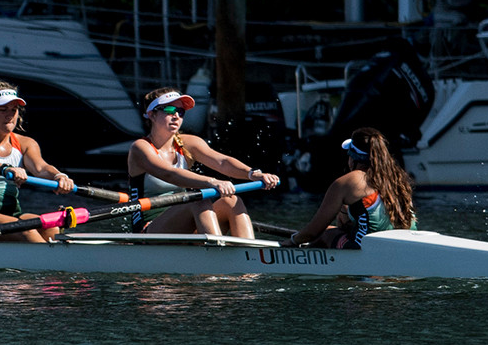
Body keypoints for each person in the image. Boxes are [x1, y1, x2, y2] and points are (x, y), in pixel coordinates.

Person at [126, 87, 279, 238]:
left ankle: (248, 255)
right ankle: (215, 254)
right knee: (198, 199)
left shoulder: (188, 143)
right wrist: (212, 182)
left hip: (184, 222)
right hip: (148, 230)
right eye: (169, 109)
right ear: (151, 115)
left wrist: (253, 173)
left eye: (180, 112)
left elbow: (222, 162)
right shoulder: (140, 148)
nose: (176, 116)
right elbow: (169, 174)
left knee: (231, 201)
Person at [0, 81, 77, 242]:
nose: (10, 115)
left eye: (14, 110)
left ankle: (59, 263)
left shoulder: (25, 143)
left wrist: (59, 176)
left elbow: (41, 168)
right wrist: (5, 169)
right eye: (3, 110)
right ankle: (52, 263)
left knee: (51, 227)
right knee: (27, 232)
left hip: (11, 216)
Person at [287, 127, 417, 248]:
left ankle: (298, 256)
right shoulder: (398, 178)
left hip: (368, 248)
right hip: (407, 243)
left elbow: (313, 231)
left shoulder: (350, 181)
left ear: (353, 157)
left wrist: (292, 241)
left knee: (325, 233)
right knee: (331, 230)